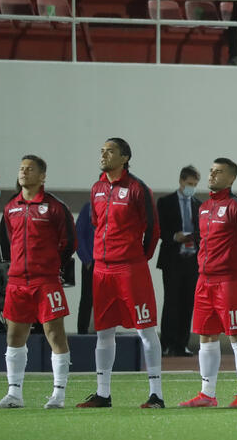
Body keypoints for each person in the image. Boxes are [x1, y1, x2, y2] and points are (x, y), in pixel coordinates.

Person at [79, 138, 163, 409]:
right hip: (102, 270)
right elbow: (96, 223)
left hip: (130, 268)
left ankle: (156, 395)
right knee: (104, 332)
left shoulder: (138, 188)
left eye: (110, 151)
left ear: (125, 157)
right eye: (102, 151)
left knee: (145, 329)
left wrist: (138, 258)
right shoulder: (97, 188)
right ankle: (103, 393)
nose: (104, 155)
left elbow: (153, 230)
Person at [0, 155, 75, 409]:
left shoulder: (55, 207)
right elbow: (6, 242)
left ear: (42, 176)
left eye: (30, 169)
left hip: (46, 282)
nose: (24, 172)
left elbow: (69, 242)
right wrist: (16, 266)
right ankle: (14, 394)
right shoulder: (10, 207)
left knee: (55, 334)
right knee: (14, 335)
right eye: (21, 169)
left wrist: (51, 266)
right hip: (17, 282)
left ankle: (58, 395)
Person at [180, 158, 237, 408]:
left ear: (232, 178)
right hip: (205, 281)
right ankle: (207, 394)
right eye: (211, 171)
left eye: (219, 172)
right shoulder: (203, 208)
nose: (212, 175)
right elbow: (201, 242)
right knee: (206, 336)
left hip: (230, 281)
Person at [156, 165, 201, 357]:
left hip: (192, 260)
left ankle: (182, 344)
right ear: (181, 181)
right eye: (189, 183)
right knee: (171, 302)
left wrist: (193, 237)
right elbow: (159, 228)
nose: (191, 187)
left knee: (188, 302)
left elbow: (202, 230)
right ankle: (167, 343)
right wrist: (175, 236)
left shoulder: (198, 204)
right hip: (173, 258)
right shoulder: (166, 202)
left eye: (195, 184)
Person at [75, 201, 95, 334]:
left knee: (109, 301)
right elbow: (78, 234)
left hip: (110, 262)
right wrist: (86, 259)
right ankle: (82, 333)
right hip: (91, 262)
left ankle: (105, 333)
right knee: (87, 299)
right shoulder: (88, 208)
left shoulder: (116, 206)